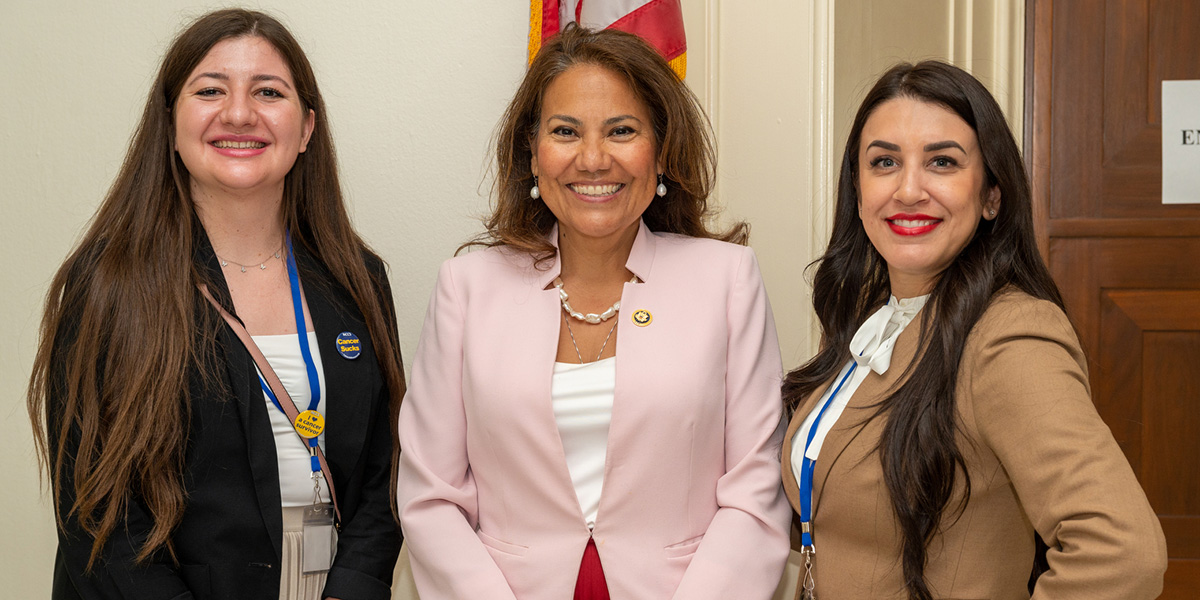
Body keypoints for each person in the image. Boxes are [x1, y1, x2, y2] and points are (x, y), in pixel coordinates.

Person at [397, 24, 791, 600]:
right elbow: (430, 495)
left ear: (660, 150)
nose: (593, 158)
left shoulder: (727, 279)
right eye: (565, 132)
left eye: (622, 131)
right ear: (532, 153)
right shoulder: (466, 287)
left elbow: (755, 491)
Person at [27, 9, 405, 600]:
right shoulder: (109, 285)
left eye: (268, 92)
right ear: (170, 120)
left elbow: (386, 476)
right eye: (210, 90)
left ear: (306, 128)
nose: (238, 114)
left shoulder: (358, 280)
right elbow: (98, 521)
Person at [780, 60, 1167, 599]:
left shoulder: (1008, 336)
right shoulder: (870, 318)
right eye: (885, 162)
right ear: (858, 188)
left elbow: (1124, 552)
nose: (908, 189)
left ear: (991, 196)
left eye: (942, 162)